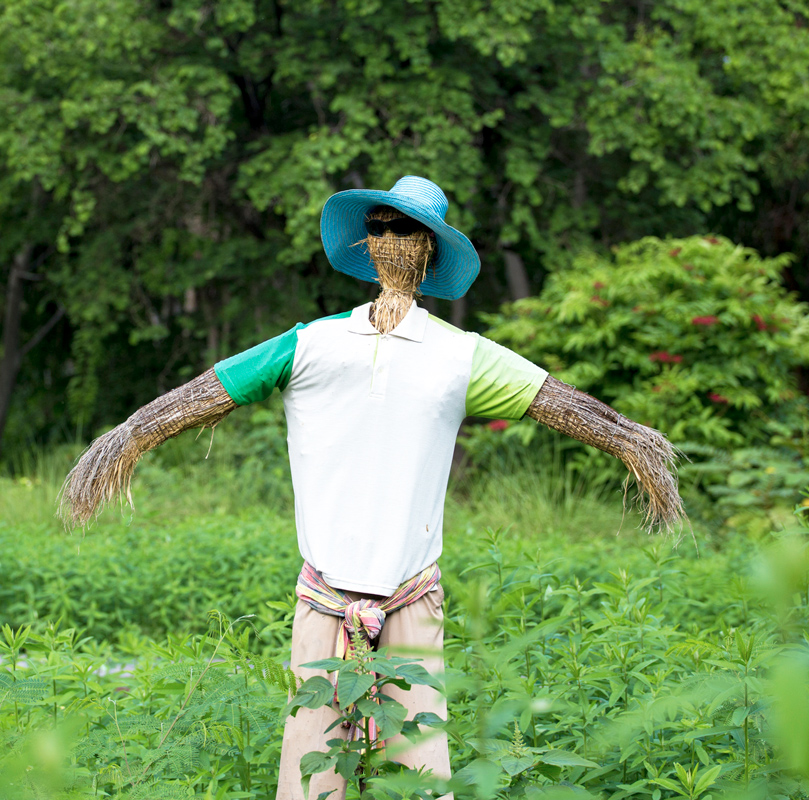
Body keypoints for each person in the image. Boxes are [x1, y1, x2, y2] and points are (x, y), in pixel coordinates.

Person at [60, 176, 684, 798]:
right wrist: (121, 442)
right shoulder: (310, 343)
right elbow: (200, 395)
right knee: (312, 778)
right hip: (324, 599)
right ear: (365, 242)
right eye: (379, 226)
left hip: (412, 597)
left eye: (405, 229)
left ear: (430, 250)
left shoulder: (460, 357)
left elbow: (569, 408)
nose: (390, 239)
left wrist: (639, 446)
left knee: (417, 776)